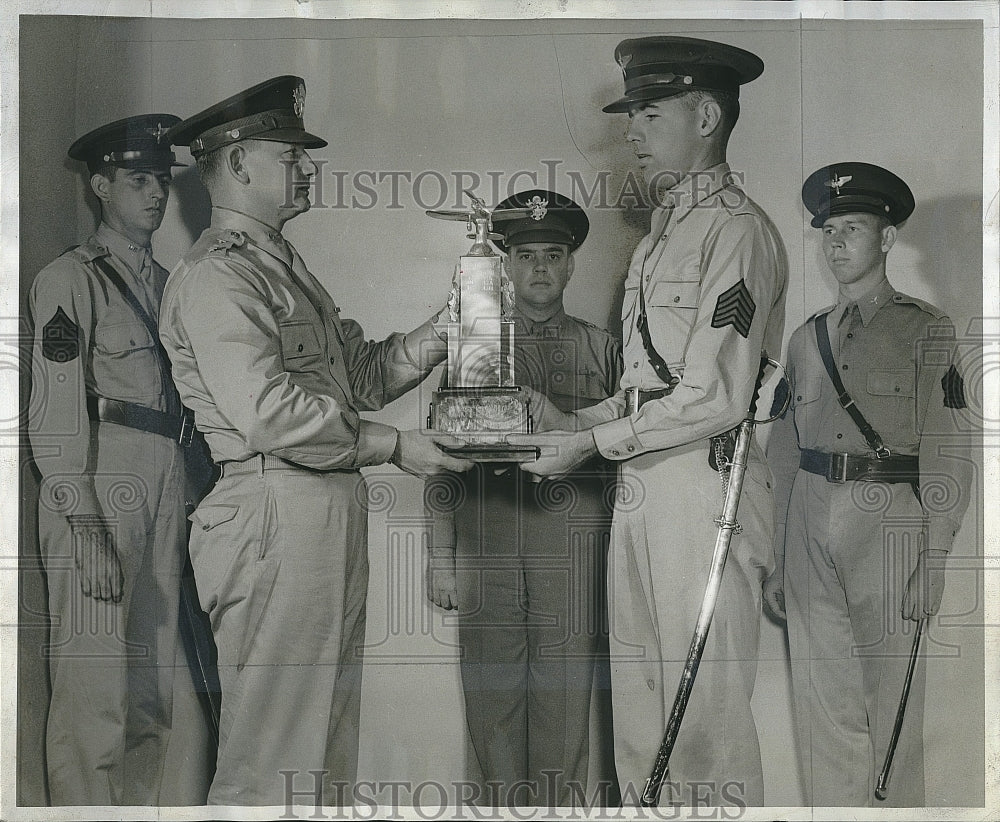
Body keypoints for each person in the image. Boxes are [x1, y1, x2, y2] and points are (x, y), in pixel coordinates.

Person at [159, 75, 474, 806]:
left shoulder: (283, 268)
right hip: (273, 508)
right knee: (271, 753)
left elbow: (359, 377)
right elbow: (268, 412)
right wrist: (395, 446)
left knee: (324, 745)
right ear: (236, 165)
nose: (308, 167)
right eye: (289, 154)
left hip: (322, 507)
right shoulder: (217, 275)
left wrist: (453, 322)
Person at [512, 36, 788, 807]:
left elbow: (715, 397)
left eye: (650, 111)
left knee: (703, 724)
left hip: (706, 491)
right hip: (641, 483)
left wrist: (587, 446)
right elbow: (647, 391)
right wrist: (568, 423)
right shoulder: (660, 238)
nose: (631, 132)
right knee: (640, 716)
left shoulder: (738, 232)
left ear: (706, 114)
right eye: (630, 113)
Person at [762, 163, 974, 806]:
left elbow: (946, 449)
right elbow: (782, 452)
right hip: (809, 513)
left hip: (889, 518)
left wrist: (933, 559)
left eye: (852, 228)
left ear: (885, 240)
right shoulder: (805, 340)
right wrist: (775, 553)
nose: (835, 242)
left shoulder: (925, 328)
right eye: (828, 229)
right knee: (821, 699)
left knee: (894, 698)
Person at [27, 114, 212, 804]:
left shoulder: (172, 284)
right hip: (103, 479)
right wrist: (85, 523)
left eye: (163, 181)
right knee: (93, 697)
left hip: (165, 477)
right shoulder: (70, 281)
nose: (157, 194)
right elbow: (54, 404)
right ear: (101, 185)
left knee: (147, 698)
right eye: (139, 180)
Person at [425, 190, 623, 807]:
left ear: (571, 266)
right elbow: (438, 454)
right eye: (527, 254)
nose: (540, 267)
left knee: (564, 696)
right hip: (488, 534)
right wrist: (439, 554)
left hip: (572, 536)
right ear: (505, 265)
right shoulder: (471, 344)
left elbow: (630, 441)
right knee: (492, 697)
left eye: (554, 254)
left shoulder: (603, 349)